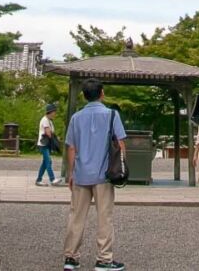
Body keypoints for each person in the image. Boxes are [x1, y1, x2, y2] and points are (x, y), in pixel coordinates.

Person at [61, 79, 126, 271]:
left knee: (76, 216)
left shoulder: (76, 117)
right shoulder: (112, 115)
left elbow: (71, 147)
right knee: (104, 217)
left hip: (81, 174)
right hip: (104, 174)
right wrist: (122, 167)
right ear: (102, 93)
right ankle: (104, 259)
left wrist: (71, 173)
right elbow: (121, 143)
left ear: (83, 95)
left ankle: (70, 258)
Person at [36, 104, 58, 186]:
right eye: (54, 112)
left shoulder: (49, 121)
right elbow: (48, 133)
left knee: (45, 162)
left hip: (47, 144)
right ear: (50, 112)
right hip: (43, 144)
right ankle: (52, 179)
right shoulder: (45, 120)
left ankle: (39, 180)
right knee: (48, 161)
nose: (55, 114)